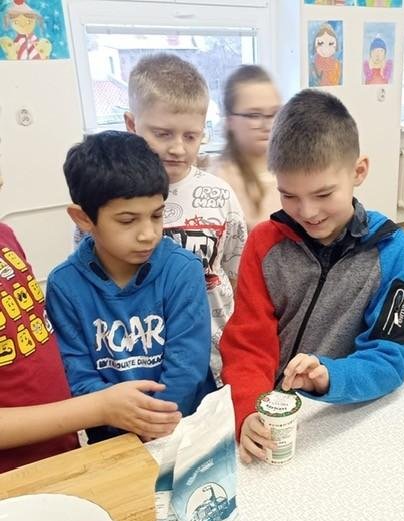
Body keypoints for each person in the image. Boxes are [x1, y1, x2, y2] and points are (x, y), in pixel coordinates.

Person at [220, 89, 404, 463]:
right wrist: (247, 410)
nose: (308, 212)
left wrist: (331, 375)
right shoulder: (263, 244)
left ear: (358, 171)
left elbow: (391, 357)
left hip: (343, 416)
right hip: (270, 416)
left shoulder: (393, 250)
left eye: (324, 194)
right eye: (289, 195)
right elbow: (247, 345)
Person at [0, 166, 181, 473]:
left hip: (63, 451)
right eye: (127, 220)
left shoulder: (5, 236)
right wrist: (98, 408)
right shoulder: (66, 282)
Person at [46, 130, 214, 444]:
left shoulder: (182, 270)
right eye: (127, 220)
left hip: (186, 432)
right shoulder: (64, 286)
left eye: (157, 215)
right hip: (113, 442)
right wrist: (127, 423)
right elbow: (77, 376)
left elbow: (187, 367)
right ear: (83, 218)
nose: (148, 234)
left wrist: (154, 423)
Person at [124, 53, 247, 382]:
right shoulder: (110, 197)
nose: (178, 148)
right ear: (132, 125)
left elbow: (238, 275)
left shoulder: (220, 195)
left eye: (190, 136)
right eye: (163, 134)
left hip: (215, 358)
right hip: (139, 360)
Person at [199, 65, 282, 230]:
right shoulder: (218, 183)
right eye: (254, 115)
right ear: (230, 120)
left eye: (274, 113)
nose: (268, 125)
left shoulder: (294, 170)